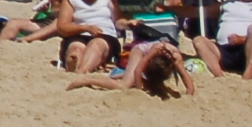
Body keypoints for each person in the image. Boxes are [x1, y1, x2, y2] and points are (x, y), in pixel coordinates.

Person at [67, 39, 195, 99]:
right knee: (124, 85)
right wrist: (140, 89)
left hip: (156, 63)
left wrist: (189, 95)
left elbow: (188, 83)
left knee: (155, 86)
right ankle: (88, 79)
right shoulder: (155, 50)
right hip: (140, 51)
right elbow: (138, 70)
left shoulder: (176, 58)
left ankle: (120, 75)